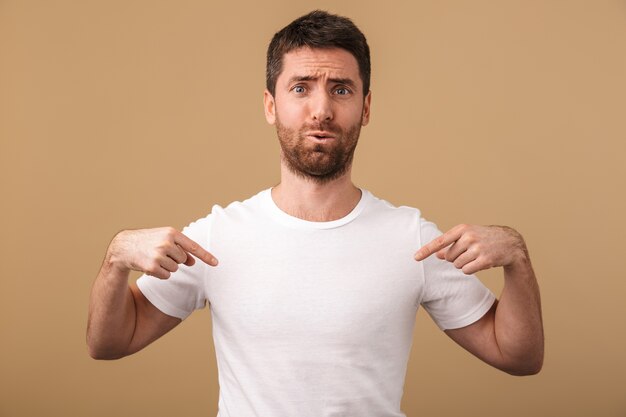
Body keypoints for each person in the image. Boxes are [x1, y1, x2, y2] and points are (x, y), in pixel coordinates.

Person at [87, 10, 544, 416]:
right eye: (301, 88)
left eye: (341, 89)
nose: (321, 110)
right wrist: (115, 259)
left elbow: (518, 357)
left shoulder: (412, 239)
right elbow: (110, 343)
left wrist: (517, 260)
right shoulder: (217, 237)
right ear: (271, 105)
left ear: (365, 108)